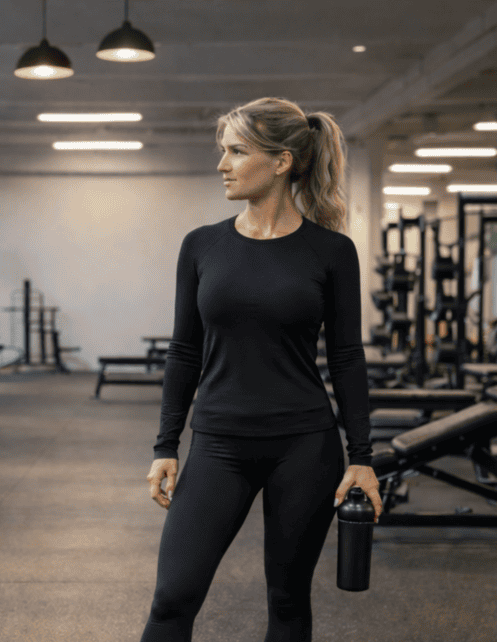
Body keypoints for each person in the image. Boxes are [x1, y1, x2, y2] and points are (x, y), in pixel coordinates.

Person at [139, 97, 384, 642]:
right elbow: (184, 350)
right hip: (218, 444)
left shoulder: (331, 252)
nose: (222, 164)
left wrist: (362, 457)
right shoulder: (201, 245)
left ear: (281, 161)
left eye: (236, 151)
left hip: (305, 447)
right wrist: (165, 444)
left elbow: (346, 357)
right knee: (172, 598)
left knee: (288, 600)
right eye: (222, 151)